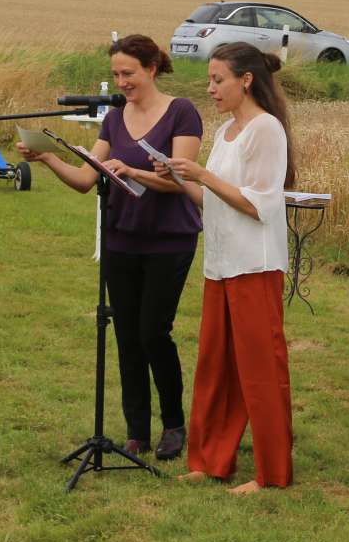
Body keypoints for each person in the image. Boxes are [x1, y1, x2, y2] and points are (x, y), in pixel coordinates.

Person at [16, 34, 201, 462]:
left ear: (152, 68)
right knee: (125, 334)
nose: (121, 82)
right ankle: (136, 429)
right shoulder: (114, 119)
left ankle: (173, 424)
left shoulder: (181, 112)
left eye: (129, 73)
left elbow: (183, 180)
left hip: (168, 240)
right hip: (121, 237)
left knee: (154, 332)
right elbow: (86, 179)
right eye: (116, 74)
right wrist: (46, 158)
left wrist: (132, 168)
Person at [161, 42, 294, 493]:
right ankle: (211, 459)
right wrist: (177, 179)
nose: (211, 88)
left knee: (260, 369)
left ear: (246, 80)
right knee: (215, 367)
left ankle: (272, 473)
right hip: (220, 263)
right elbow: (214, 199)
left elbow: (260, 205)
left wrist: (202, 176)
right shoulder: (226, 133)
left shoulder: (266, 129)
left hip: (254, 265)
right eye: (210, 80)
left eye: (218, 80)